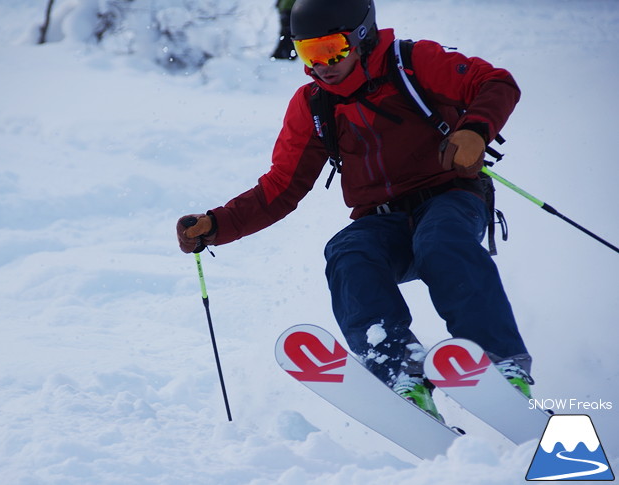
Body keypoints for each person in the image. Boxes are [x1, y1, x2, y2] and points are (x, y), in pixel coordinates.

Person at [177, 0, 534, 419]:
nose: (322, 65)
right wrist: (218, 224)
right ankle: (399, 374)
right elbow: (282, 186)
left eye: (332, 49)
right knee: (348, 254)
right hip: (382, 219)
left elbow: (495, 83)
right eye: (309, 53)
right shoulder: (313, 104)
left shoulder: (412, 63)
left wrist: (475, 130)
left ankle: (503, 365)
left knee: (440, 242)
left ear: (361, 37)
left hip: (451, 195)